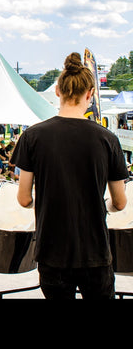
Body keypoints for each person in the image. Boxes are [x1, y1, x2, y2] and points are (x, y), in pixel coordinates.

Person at [12, 52, 128, 299]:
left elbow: (23, 199)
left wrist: (43, 204)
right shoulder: (108, 139)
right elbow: (120, 202)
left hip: (52, 253)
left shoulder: (32, 137)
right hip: (95, 253)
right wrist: (103, 205)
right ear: (90, 94)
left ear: (57, 91)